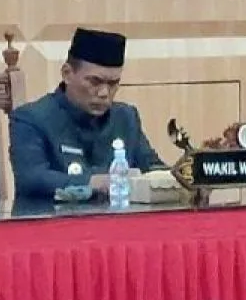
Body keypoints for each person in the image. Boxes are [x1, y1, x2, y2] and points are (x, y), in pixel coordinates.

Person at [9, 28, 165, 199]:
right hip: (53, 215)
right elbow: (31, 179)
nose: (104, 93)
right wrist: (93, 182)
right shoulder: (31, 118)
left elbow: (152, 169)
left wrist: (179, 175)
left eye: (113, 84)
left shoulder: (126, 117)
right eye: (95, 82)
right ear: (67, 74)